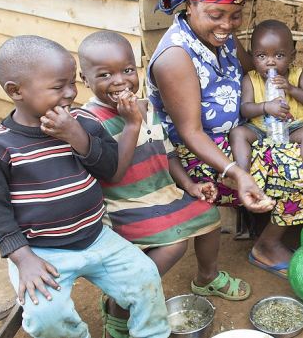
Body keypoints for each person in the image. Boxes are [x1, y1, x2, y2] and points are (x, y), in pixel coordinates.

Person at [146, 0, 303, 279]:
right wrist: (239, 172)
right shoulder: (176, 57)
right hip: (200, 157)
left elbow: (254, 71)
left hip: (248, 132)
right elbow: (190, 133)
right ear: (190, 3)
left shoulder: (222, 36)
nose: (228, 25)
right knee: (300, 169)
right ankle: (267, 243)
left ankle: (274, 218)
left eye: (236, 15)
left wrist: (287, 88)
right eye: (217, 15)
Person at [0, 35, 169, 338]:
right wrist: (23, 259)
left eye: (71, 83)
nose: (69, 94)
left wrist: (76, 135)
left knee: (146, 278)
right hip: (41, 253)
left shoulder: (84, 122)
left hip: (97, 237)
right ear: (16, 91)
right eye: (58, 87)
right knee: (46, 317)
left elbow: (109, 170)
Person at [78, 31, 250, 337]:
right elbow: (109, 171)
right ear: (84, 78)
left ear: (138, 69)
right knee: (173, 246)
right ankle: (120, 306)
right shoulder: (89, 122)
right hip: (124, 204)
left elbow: (168, 154)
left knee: (209, 218)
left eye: (128, 71)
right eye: (105, 75)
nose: (119, 81)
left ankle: (206, 277)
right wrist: (131, 122)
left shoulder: (148, 109)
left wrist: (190, 186)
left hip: (164, 193)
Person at [229, 19, 303, 199]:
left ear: (292, 56)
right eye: (262, 56)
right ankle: (242, 173)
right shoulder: (251, 79)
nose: (270, 62)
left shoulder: (297, 74)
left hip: (293, 127)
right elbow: (245, 109)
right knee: (238, 133)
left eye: (279, 56)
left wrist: (291, 88)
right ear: (252, 57)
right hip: (260, 129)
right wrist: (266, 107)